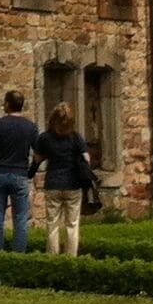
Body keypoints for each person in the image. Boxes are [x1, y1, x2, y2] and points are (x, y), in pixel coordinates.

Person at [34, 102, 94, 257]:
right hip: (73, 184)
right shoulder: (75, 137)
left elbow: (37, 159)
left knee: (52, 223)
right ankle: (70, 257)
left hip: (53, 184)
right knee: (72, 224)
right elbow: (86, 159)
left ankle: (52, 256)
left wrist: (30, 172)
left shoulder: (45, 138)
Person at [0, 90, 40, 253]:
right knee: (21, 218)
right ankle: (18, 255)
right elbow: (38, 154)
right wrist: (31, 171)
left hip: (0, 172)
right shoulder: (30, 127)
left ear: (8, 104)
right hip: (20, 174)